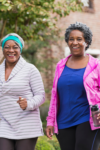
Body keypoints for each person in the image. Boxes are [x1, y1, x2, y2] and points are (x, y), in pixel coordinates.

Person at [46, 22, 100, 150]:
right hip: (64, 121)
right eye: (71, 39)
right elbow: (54, 96)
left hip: (88, 119)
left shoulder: (96, 65)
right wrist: (50, 121)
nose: (74, 42)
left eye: (79, 39)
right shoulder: (60, 65)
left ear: (86, 42)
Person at [0, 33, 45, 150]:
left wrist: (28, 104)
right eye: (7, 47)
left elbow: (41, 95)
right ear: (2, 49)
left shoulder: (30, 69)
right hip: (6, 124)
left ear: (20, 49)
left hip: (27, 124)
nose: (11, 50)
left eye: (15, 47)